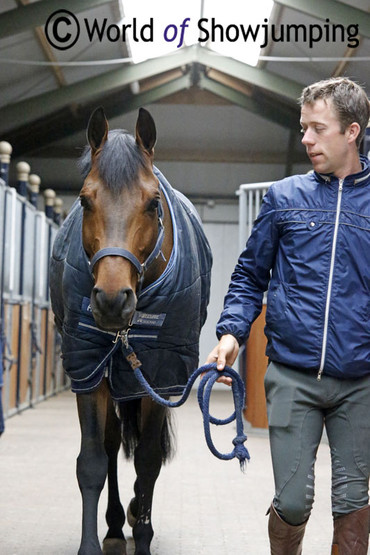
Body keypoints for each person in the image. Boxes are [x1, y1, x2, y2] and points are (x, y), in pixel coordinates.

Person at [207, 77, 370, 554]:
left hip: (361, 381)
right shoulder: (284, 198)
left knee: (355, 514)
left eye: (318, 128)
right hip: (293, 377)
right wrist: (232, 333)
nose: (306, 139)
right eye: (303, 128)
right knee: (294, 503)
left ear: (352, 131)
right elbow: (248, 276)